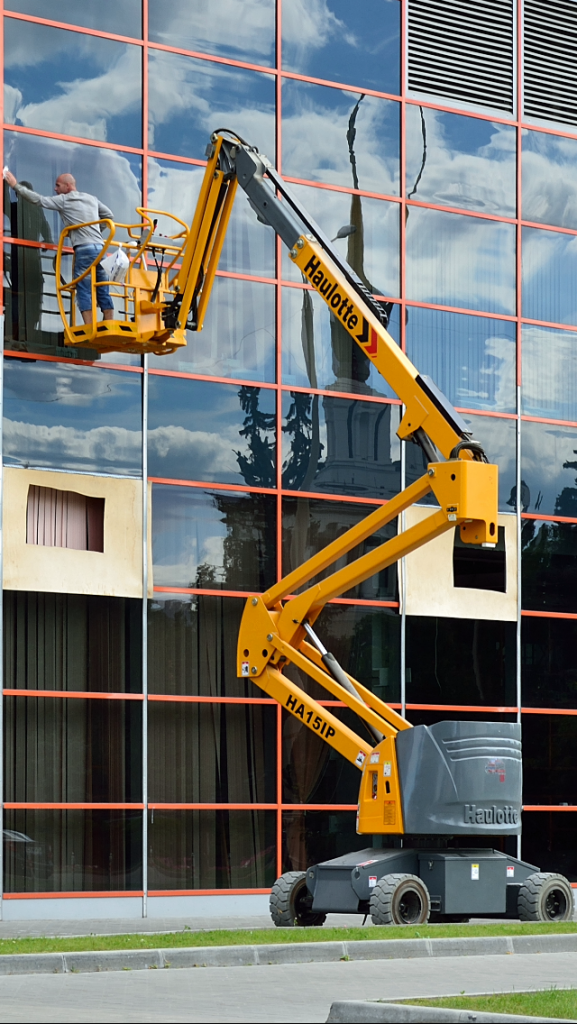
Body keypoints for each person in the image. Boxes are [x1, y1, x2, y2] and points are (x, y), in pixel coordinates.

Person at [4, 171, 115, 325]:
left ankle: (90, 327)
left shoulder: (64, 200)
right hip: (101, 249)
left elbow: (39, 200)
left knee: (83, 288)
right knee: (102, 287)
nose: (55, 189)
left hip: (84, 249)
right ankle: (109, 323)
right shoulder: (91, 199)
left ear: (67, 186)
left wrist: (14, 185)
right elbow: (109, 216)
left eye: (58, 185)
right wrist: (96, 230)